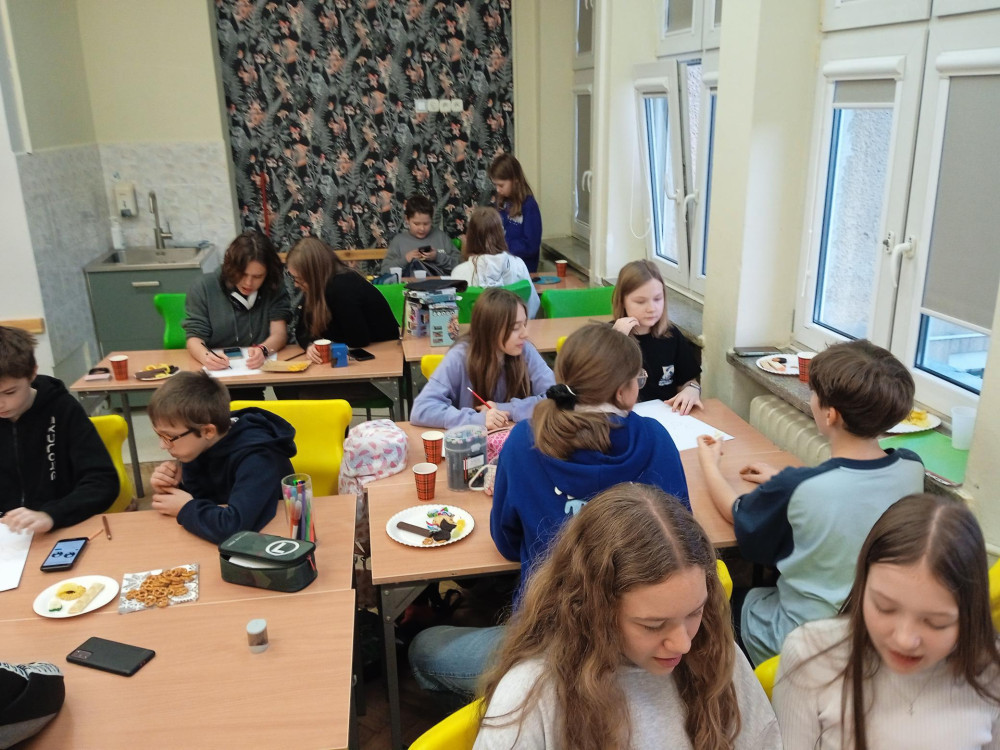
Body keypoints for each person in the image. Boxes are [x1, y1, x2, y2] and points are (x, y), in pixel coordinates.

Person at [408, 325, 690, 700]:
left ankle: (512, 703)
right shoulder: (657, 438)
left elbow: (507, 543)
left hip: (550, 646)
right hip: (647, 641)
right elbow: (682, 540)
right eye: (638, 379)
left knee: (424, 648)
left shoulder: (524, 440)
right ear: (624, 391)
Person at [474, 483, 782, 750]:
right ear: (594, 611)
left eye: (695, 612)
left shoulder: (712, 650)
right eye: (653, 625)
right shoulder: (531, 696)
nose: (683, 644)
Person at [696, 339, 925, 666]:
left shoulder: (799, 487)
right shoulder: (912, 466)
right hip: (871, 631)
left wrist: (709, 463)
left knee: (710, 607)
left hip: (798, 641)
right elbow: (855, 491)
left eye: (814, 394)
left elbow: (738, 513)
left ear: (830, 414)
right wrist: (786, 479)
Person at [774, 493, 1000, 749]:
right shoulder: (810, 655)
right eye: (885, 608)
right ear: (863, 585)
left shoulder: (992, 672)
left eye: (935, 622)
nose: (904, 640)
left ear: (971, 614)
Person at [147, 371, 296, 544]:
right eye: (159, 435)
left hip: (273, 539)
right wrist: (174, 487)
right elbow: (205, 500)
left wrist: (185, 508)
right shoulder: (198, 446)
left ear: (208, 431)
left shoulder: (258, 458)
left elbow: (235, 528)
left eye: (169, 437)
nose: (163, 445)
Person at [0, 326, 117, 534]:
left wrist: (51, 514)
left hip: (59, 527)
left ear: (32, 373)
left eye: (9, 392)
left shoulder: (62, 409)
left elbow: (102, 482)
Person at [410, 287, 553, 430]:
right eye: (515, 328)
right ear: (490, 329)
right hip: (473, 440)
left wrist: (505, 408)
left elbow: (556, 398)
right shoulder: (460, 356)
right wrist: (477, 419)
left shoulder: (524, 349)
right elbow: (422, 409)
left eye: (524, 324)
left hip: (513, 436)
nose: (525, 334)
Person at [183, 231, 291, 371]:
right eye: (242, 274)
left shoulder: (273, 287)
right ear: (231, 268)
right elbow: (194, 338)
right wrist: (207, 357)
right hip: (216, 371)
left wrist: (264, 350)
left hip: (256, 371)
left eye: (257, 277)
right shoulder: (203, 287)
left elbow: (279, 334)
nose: (248, 283)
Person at [286, 237, 398, 361]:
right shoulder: (316, 287)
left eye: (299, 279)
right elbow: (302, 330)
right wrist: (310, 345)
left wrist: (324, 343)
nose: (296, 284)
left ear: (313, 275)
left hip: (385, 353)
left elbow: (357, 340)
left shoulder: (343, 286)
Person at [613, 259, 702, 414]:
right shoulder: (609, 336)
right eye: (640, 301)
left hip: (667, 416)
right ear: (622, 302)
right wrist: (614, 341)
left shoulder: (671, 335)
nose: (651, 308)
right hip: (624, 417)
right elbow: (594, 387)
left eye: (657, 299)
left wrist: (692, 390)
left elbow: (688, 380)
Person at [449, 206, 540, 318]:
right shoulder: (518, 265)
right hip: (511, 327)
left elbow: (451, 315)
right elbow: (533, 306)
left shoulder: (458, 273)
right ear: (501, 233)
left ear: (470, 237)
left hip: (474, 329)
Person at [380, 194, 460, 275]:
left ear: (431, 219)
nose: (422, 228)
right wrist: (405, 259)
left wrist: (437, 257)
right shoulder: (399, 241)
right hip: (409, 283)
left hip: (440, 282)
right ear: (407, 219)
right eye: (416, 224)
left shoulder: (441, 237)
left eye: (426, 224)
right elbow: (384, 271)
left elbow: (460, 267)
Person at [488, 153, 542, 273]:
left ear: (515, 179)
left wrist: (502, 246)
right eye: (495, 185)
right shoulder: (501, 203)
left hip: (523, 272)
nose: (497, 189)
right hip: (502, 269)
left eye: (501, 185)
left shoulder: (529, 206)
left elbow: (531, 246)